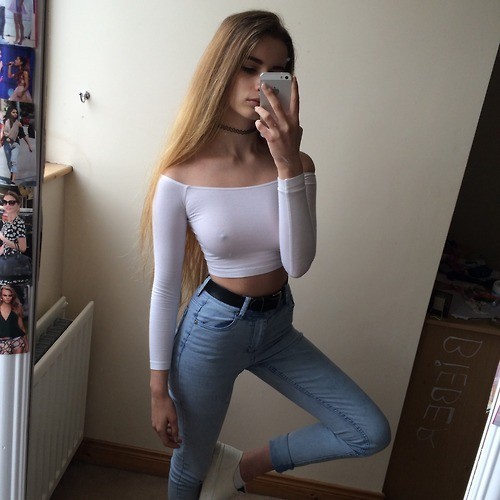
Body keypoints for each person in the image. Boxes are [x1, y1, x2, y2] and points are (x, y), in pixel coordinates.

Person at [142, 10, 391, 500]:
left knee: (369, 429)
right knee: (190, 464)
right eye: (248, 67)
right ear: (221, 69)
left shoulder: (297, 165)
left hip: (276, 326)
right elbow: (166, 285)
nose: (261, 84)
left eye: (276, 72)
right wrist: (157, 388)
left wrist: (286, 162)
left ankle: (238, 469)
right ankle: (208, 467)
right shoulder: (180, 176)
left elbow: (297, 264)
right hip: (213, 330)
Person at [2, 106, 32, 182]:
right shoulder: (5, 122)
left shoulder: (18, 124)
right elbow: (2, 132)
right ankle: (12, 174)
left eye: (16, 112)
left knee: (13, 161)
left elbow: (23, 135)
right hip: (7, 144)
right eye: (13, 112)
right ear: (10, 113)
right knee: (9, 162)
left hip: (16, 144)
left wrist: (29, 145)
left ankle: (13, 180)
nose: (15, 114)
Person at [0, 284, 27, 354]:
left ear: (13, 296)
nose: (7, 298)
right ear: (1, 296)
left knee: (18, 359)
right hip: (2, 342)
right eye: (5, 295)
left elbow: (21, 327)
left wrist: (27, 344)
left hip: (17, 339)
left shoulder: (17, 308)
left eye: (10, 295)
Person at [0, 190, 26, 256]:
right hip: (5, 258)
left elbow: (22, 248)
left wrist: (3, 238)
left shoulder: (18, 223)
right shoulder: (7, 223)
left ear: (18, 205)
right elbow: (5, 245)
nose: (7, 205)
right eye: (5, 202)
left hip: (13, 258)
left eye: (11, 202)